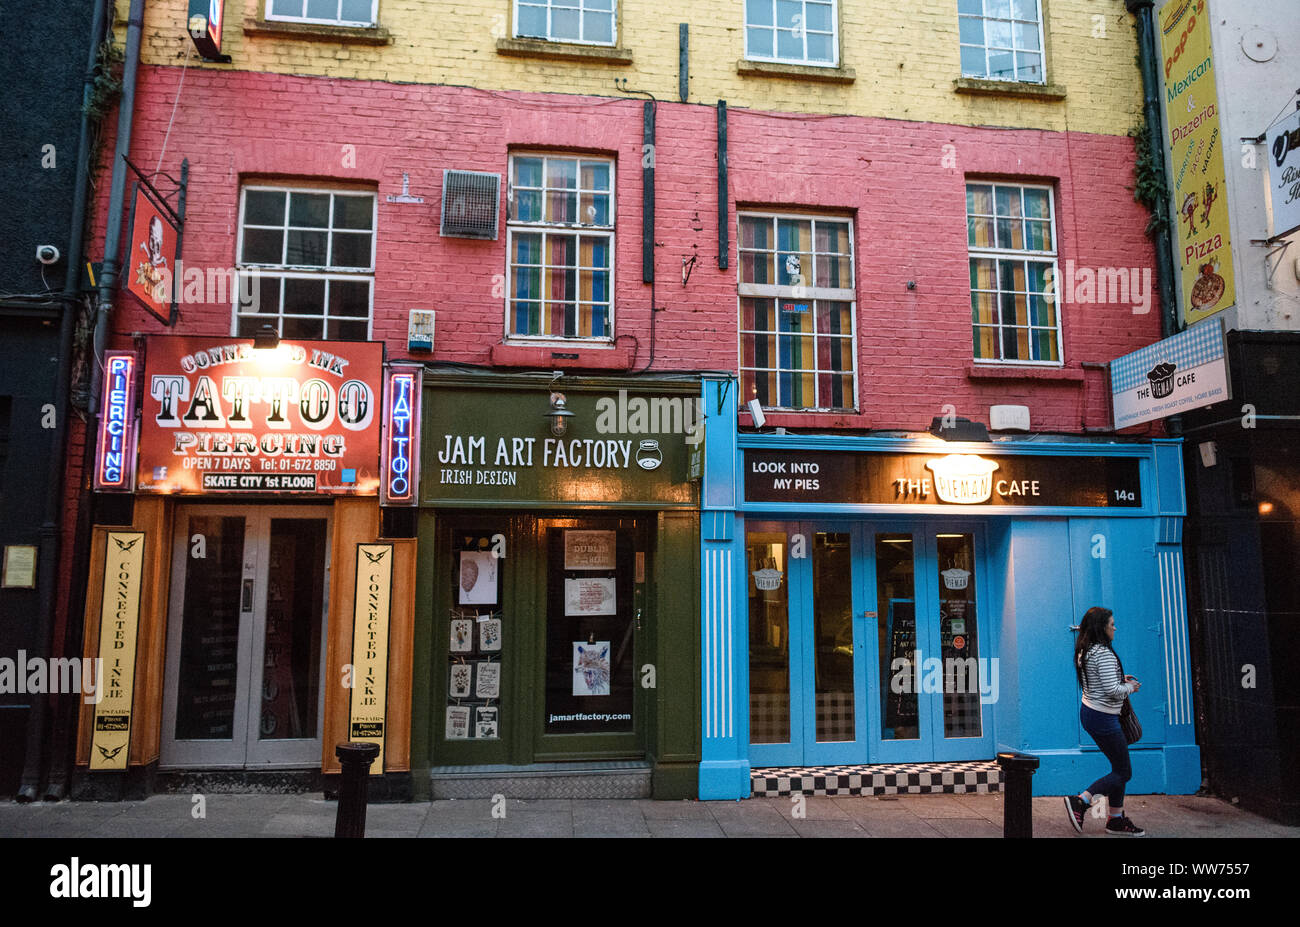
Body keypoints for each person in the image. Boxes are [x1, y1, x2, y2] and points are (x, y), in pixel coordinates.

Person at [1063, 606, 1146, 836]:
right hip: (1104, 718)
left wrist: (1120, 679)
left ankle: (1115, 820)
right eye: (1112, 624)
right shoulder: (1104, 653)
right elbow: (1112, 690)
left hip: (1091, 713)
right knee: (1124, 772)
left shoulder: (1085, 650)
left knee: (1118, 769)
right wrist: (1130, 687)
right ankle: (1082, 801)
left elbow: (1102, 682)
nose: (1115, 628)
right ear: (1102, 628)